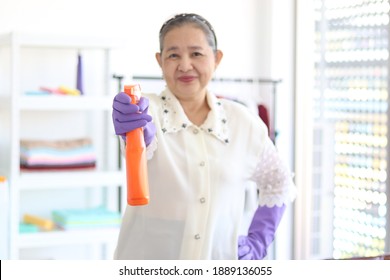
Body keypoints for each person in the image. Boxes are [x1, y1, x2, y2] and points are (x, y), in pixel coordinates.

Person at [112, 13, 296, 260]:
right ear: (160, 61)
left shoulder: (243, 122)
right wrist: (136, 132)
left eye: (196, 53)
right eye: (173, 55)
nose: (185, 65)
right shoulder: (147, 111)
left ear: (216, 58)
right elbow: (141, 142)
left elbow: (279, 182)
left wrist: (258, 241)